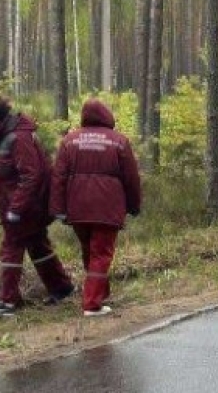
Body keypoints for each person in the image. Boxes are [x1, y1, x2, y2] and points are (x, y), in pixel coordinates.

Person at [0, 97, 75, 315]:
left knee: (11, 247)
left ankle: (8, 301)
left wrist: (16, 209)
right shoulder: (2, 136)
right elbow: (7, 171)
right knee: (38, 245)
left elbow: (31, 175)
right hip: (20, 206)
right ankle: (62, 288)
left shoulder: (18, 138)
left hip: (26, 207)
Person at [51, 98, 143, 317]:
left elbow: (58, 177)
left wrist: (58, 208)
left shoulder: (69, 141)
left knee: (90, 252)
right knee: (101, 254)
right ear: (106, 116)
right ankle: (92, 304)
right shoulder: (119, 141)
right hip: (107, 207)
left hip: (77, 207)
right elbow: (131, 178)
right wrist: (134, 205)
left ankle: (100, 294)